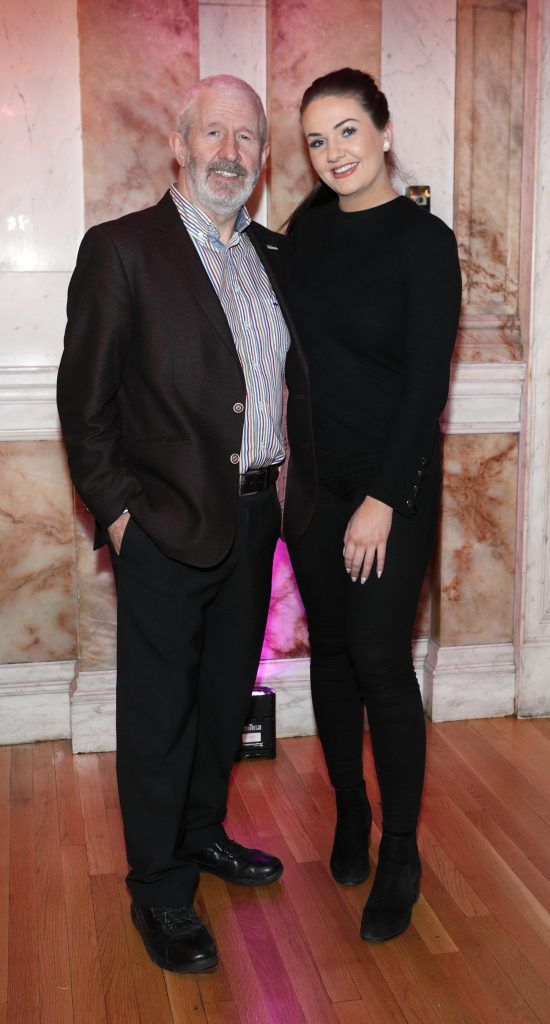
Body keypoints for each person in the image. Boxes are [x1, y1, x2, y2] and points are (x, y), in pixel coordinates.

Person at [57, 74, 315, 973]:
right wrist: (122, 518)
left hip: (255, 524)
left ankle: (203, 833)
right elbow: (83, 407)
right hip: (164, 529)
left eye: (248, 139)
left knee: (219, 705)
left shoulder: (275, 256)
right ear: (180, 143)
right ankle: (160, 890)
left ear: (262, 158)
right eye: (215, 133)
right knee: (159, 717)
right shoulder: (122, 251)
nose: (230, 154)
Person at [285, 68, 462, 942]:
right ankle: (349, 813)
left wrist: (384, 499)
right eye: (317, 140)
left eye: (348, 131)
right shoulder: (304, 232)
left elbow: (426, 384)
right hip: (315, 488)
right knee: (331, 657)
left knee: (381, 661)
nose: (334, 153)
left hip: (393, 487)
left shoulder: (424, 244)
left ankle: (400, 851)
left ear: (385, 132)